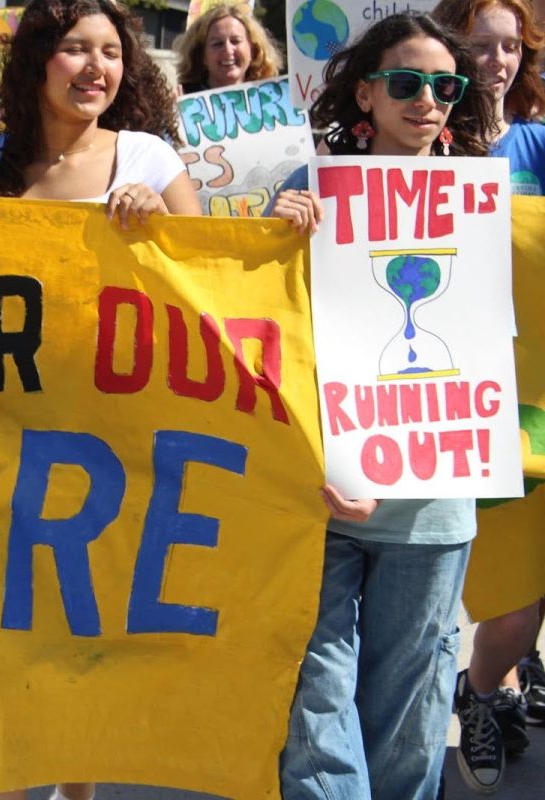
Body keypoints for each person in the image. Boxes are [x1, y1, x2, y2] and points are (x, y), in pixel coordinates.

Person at [0, 1, 199, 798]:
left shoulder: (151, 162)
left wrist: (159, 231)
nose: (96, 67)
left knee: (81, 639)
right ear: (36, 62)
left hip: (106, 451)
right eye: (76, 50)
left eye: (112, 53)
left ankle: (75, 788)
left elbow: (211, 289)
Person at [264, 12, 498, 799]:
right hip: (321, 490)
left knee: (407, 714)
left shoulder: (485, 201)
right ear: (366, 93)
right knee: (315, 696)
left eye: (444, 86)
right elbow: (263, 323)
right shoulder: (310, 190)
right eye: (406, 82)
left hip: (432, 504)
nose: (426, 100)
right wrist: (274, 243)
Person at [432, 0, 545, 792]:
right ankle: (483, 691)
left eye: (510, 46)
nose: (497, 60)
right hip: (449, 388)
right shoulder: (418, 143)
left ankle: (479, 690)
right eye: (481, 45)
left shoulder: (539, 142)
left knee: (528, 594)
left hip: (537, 391)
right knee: (487, 583)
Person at [174, 2, 282, 94]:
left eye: (235, 41)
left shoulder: (273, 97)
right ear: (202, 56)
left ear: (253, 51)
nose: (228, 50)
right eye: (218, 44)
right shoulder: (182, 98)